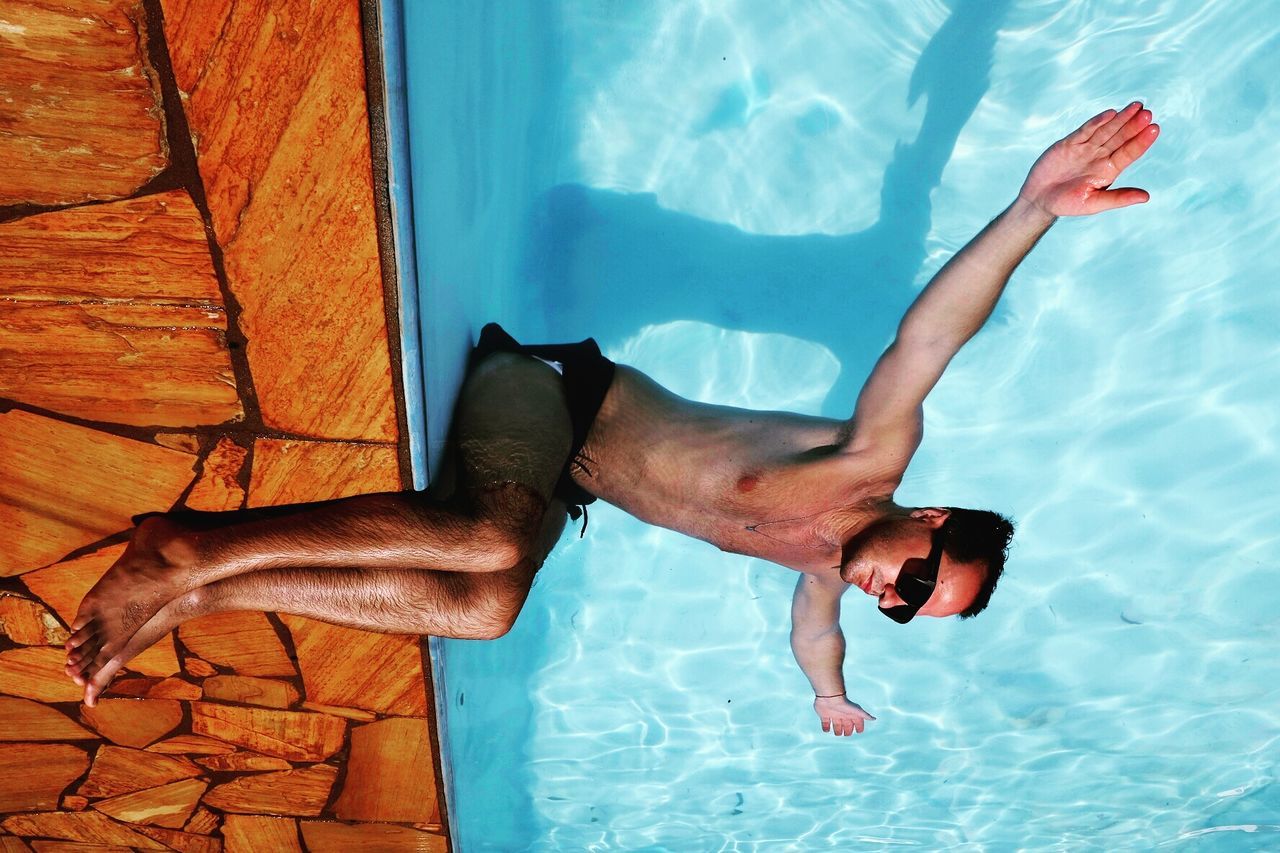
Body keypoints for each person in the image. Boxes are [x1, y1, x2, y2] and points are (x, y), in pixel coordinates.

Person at [64, 104, 1160, 730]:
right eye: (920, 574)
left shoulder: (828, 572)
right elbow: (928, 337)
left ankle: (203, 596)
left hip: (564, 477)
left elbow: (809, 631)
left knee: (486, 610)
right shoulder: (868, 458)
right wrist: (1028, 210)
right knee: (492, 542)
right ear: (930, 516)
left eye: (905, 607)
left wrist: (830, 692)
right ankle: (183, 549)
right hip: (549, 394)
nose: (894, 589)